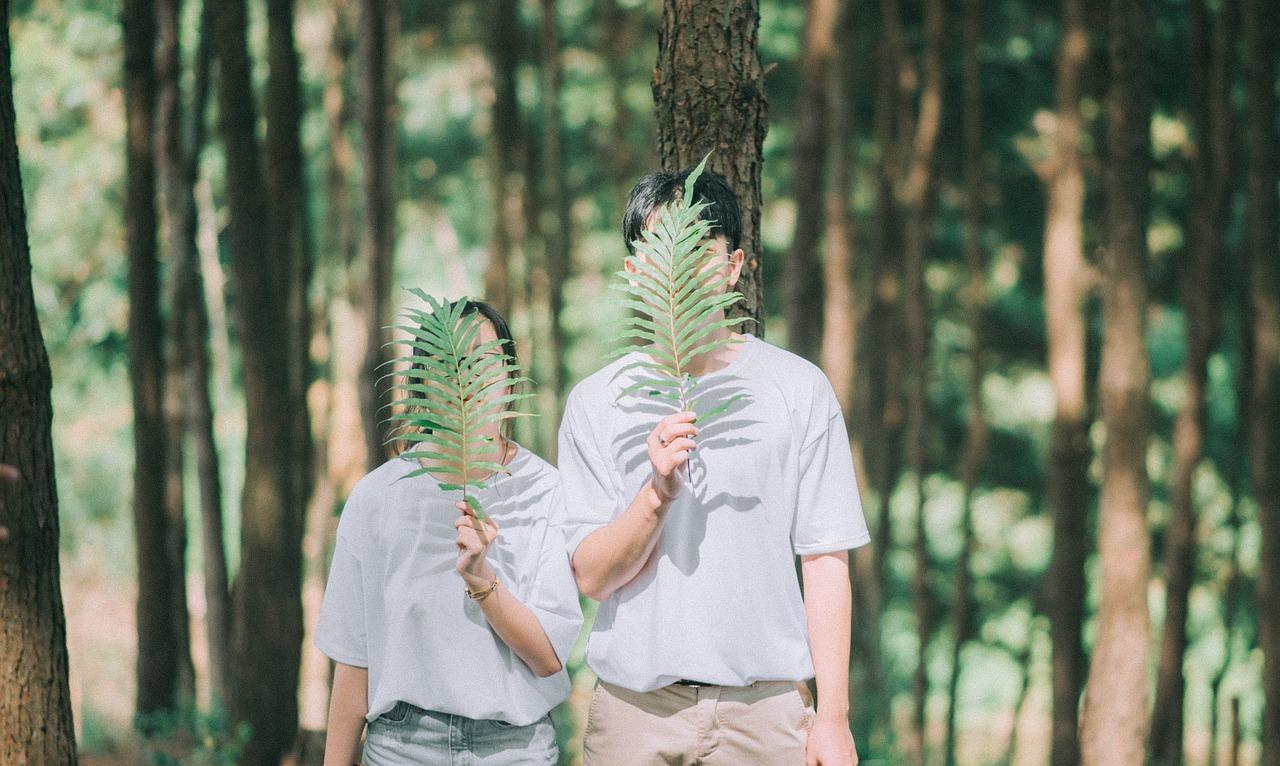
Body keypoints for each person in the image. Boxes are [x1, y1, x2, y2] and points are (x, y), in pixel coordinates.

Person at [559, 167, 869, 765]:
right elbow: (591, 577)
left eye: (698, 247)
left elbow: (826, 559)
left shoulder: (797, 389)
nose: (676, 269)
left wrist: (832, 717)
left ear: (734, 266)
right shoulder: (598, 401)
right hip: (634, 716)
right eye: (656, 248)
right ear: (634, 272)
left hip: (766, 714)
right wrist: (656, 494)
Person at [316, 299, 582, 766]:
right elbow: (353, 664)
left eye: (484, 359)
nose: (468, 377)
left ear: (510, 377)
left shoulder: (545, 490)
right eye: (450, 363)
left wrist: (482, 580)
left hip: (513, 749)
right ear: (421, 385)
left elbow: (547, 657)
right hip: (401, 747)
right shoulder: (377, 497)